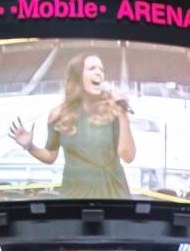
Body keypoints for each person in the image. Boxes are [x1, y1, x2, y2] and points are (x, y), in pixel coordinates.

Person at [9, 52, 136, 199]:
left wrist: (123, 115)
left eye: (101, 69)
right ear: (77, 76)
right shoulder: (58, 114)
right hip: (76, 193)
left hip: (114, 192)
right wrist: (29, 146)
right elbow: (50, 156)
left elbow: (128, 156)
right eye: (92, 68)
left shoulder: (114, 111)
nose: (99, 73)